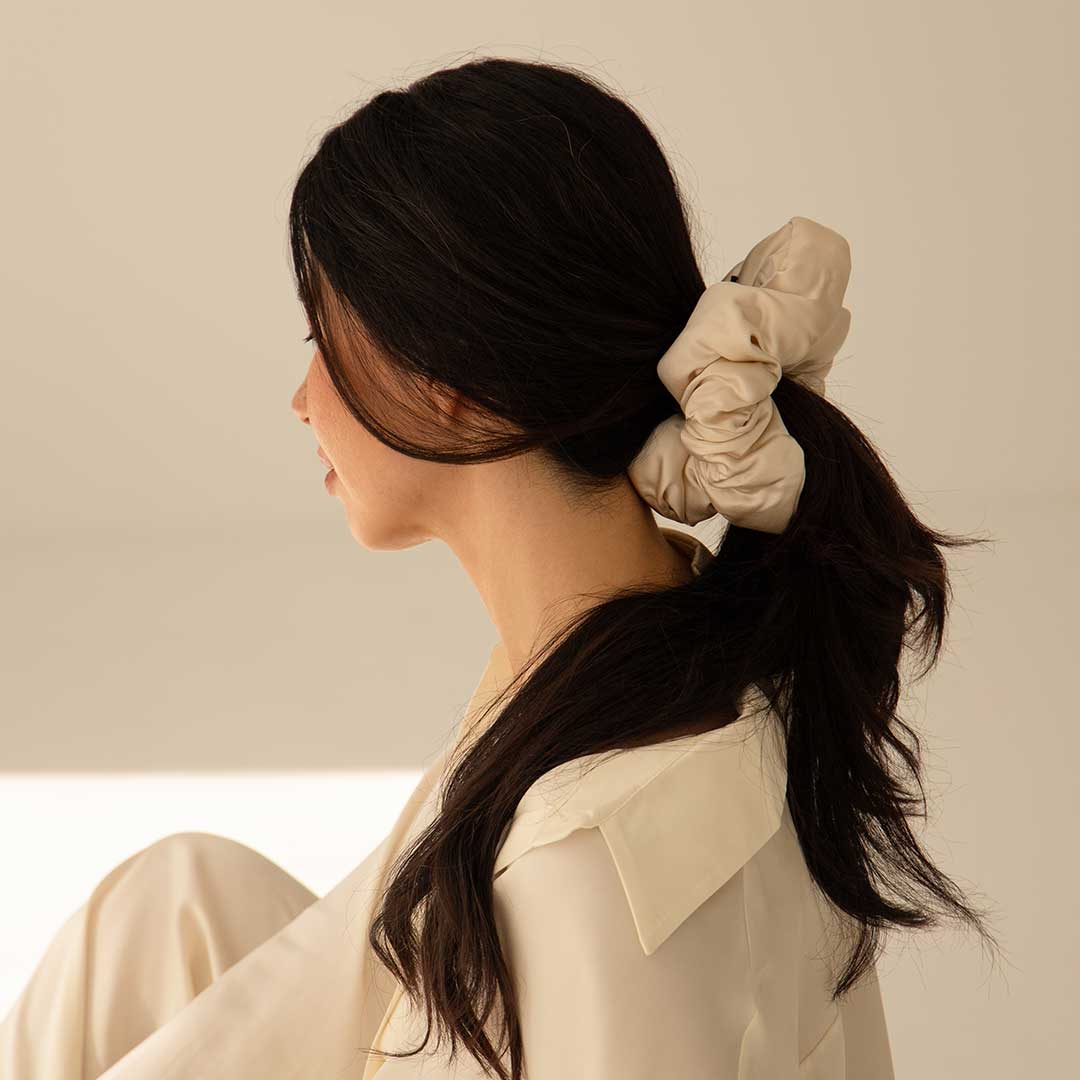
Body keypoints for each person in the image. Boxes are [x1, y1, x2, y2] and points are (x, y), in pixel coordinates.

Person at [0, 55, 997, 1080]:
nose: (303, 396)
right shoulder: (664, 639)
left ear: (446, 380)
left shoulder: (597, 858)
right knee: (174, 902)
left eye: (323, 339)